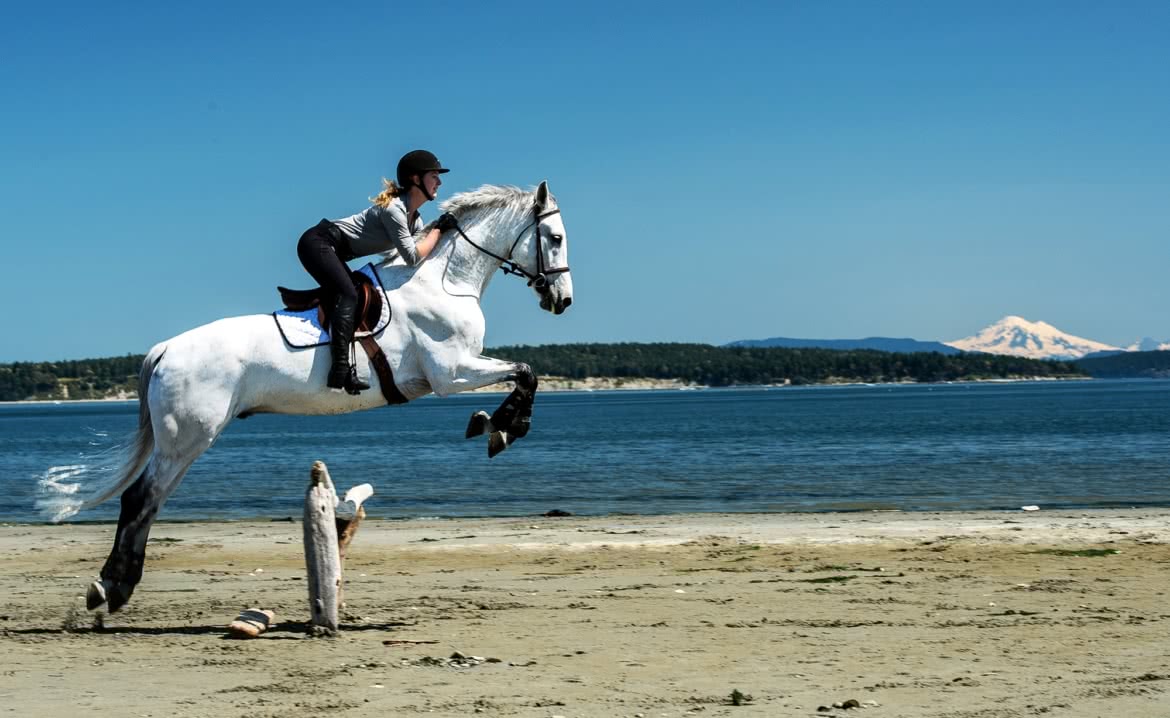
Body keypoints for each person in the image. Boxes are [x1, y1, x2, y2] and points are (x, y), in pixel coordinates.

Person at [296, 149, 458, 395]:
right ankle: (339, 370)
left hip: (332, 249)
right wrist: (438, 230)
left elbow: (417, 253)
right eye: (434, 175)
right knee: (348, 295)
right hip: (317, 242)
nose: (440, 182)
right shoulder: (394, 209)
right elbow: (413, 256)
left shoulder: (415, 219)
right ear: (416, 179)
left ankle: (349, 366)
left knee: (357, 296)